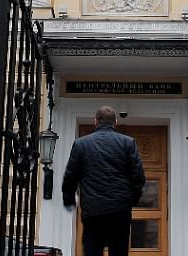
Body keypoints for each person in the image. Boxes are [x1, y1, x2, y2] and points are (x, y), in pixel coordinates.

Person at [62, 106, 146, 256]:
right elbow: (138, 176)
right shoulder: (128, 143)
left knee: (92, 250)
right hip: (120, 209)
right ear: (115, 122)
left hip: (93, 210)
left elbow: (71, 176)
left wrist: (69, 200)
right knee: (119, 251)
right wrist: (132, 200)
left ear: (95, 121)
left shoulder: (81, 144)